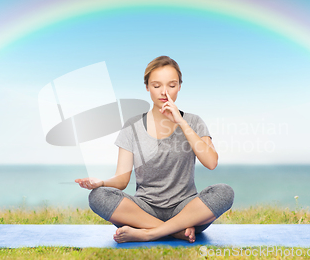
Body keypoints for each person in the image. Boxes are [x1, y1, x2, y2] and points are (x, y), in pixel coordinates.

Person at [75, 56, 234, 243]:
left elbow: (211, 162)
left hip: (186, 210)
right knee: (98, 197)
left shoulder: (194, 122)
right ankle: (175, 232)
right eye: (157, 86)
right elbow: (121, 180)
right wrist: (100, 182)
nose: (164, 92)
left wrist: (181, 122)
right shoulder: (132, 126)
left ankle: (150, 233)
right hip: (143, 209)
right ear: (147, 87)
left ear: (180, 87)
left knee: (225, 192)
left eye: (172, 85)